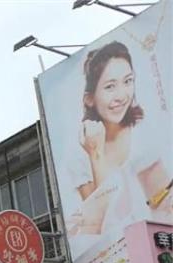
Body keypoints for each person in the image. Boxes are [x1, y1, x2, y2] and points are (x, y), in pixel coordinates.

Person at [66, 41, 171, 237]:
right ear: (90, 98)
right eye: (110, 87)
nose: (122, 95)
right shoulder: (79, 154)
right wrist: (96, 154)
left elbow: (164, 203)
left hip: (154, 251)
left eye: (128, 81)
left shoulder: (141, 131)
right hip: (108, 258)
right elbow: (96, 226)